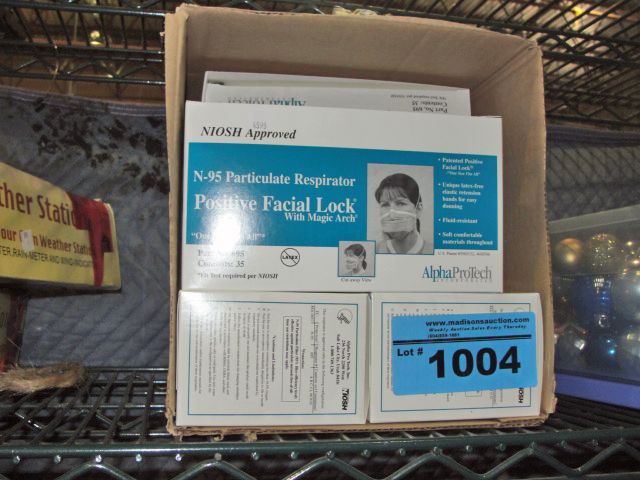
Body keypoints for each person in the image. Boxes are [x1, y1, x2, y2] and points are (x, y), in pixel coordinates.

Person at [374, 173, 433, 254]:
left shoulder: (433, 251)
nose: (392, 215)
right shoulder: (375, 251)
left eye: (400, 203)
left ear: (418, 209)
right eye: (385, 205)